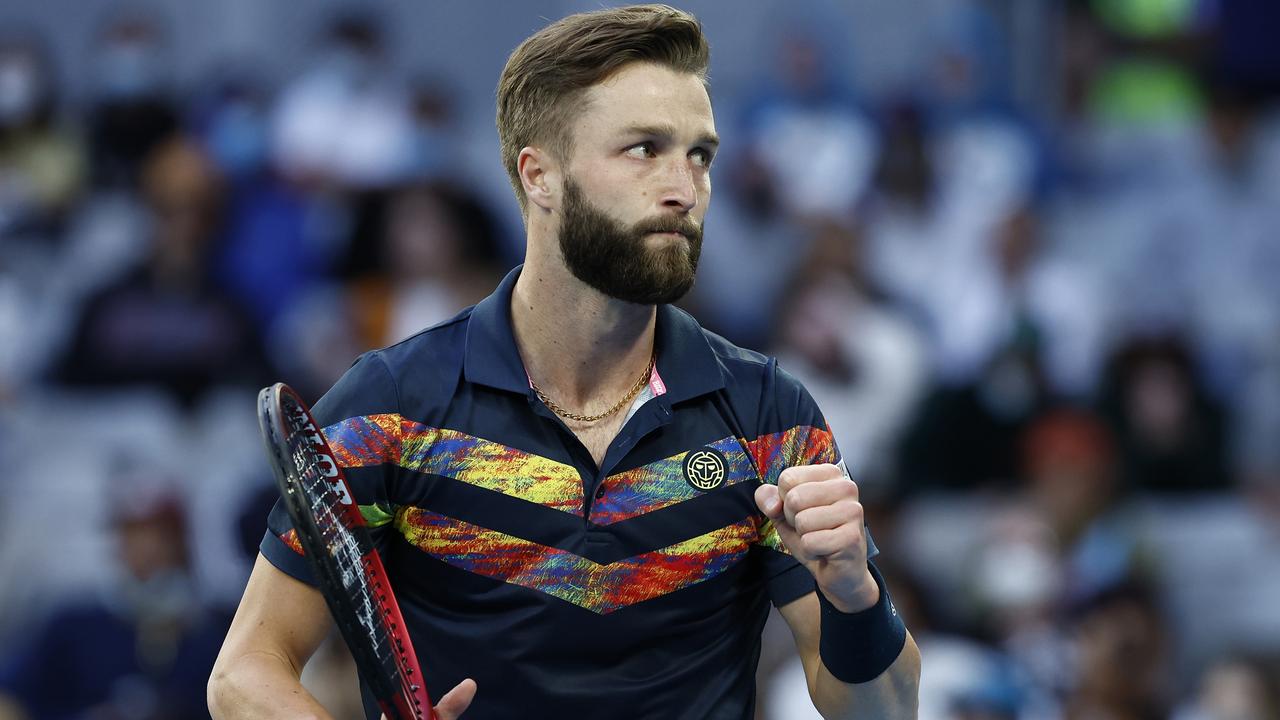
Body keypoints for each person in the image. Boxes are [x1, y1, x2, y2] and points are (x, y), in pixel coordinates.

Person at [208, 5, 921, 719]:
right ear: (539, 175)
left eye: (700, 154)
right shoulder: (391, 406)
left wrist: (855, 592)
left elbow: (881, 711)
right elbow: (244, 674)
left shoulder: (769, 416)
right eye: (643, 149)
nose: (685, 188)